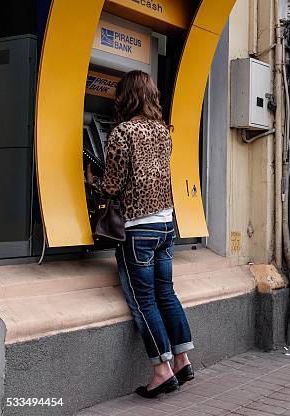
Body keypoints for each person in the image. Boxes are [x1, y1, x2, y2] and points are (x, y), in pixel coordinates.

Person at [86, 70, 194, 397]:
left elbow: (114, 185)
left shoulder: (122, 132)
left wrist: (93, 181)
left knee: (144, 300)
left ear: (125, 96)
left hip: (138, 229)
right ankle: (182, 359)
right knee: (166, 293)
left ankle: (161, 370)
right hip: (166, 226)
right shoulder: (163, 132)